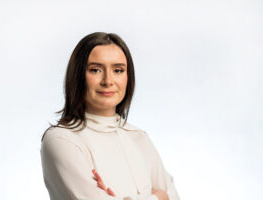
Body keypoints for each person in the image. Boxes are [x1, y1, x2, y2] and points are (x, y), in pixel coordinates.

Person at [40, 32, 180, 200]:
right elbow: (166, 196)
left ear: (128, 77)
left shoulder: (139, 138)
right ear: (77, 76)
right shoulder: (62, 140)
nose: (108, 80)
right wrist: (158, 197)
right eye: (96, 70)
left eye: (118, 70)